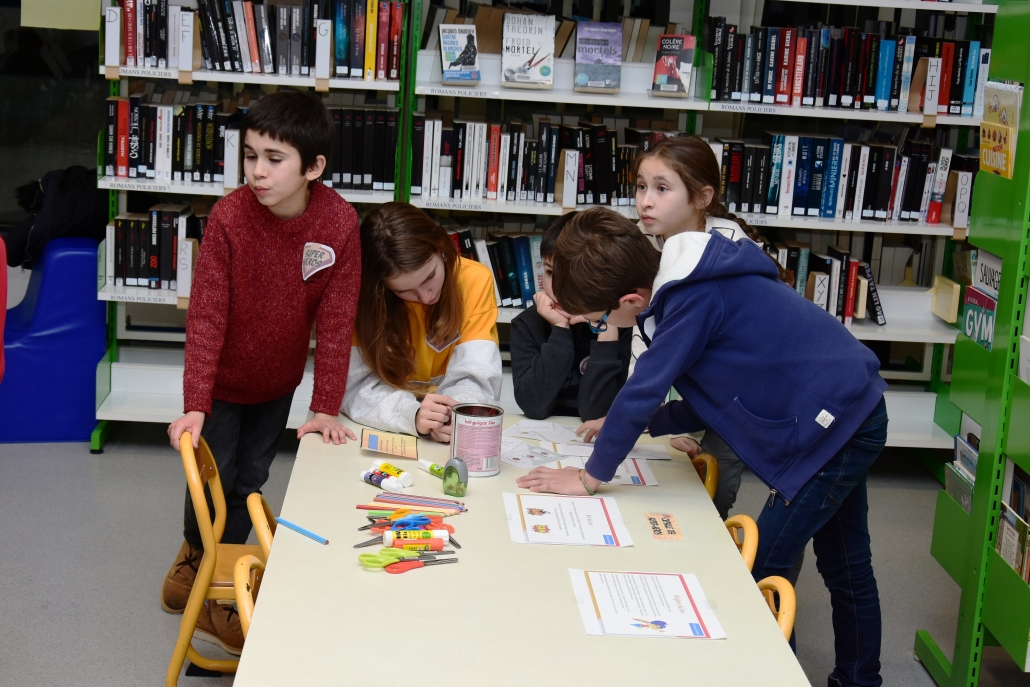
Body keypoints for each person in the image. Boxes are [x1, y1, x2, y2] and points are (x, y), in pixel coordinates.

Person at [517, 205, 888, 687]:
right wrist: (645, 423)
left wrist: (590, 477)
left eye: (600, 319)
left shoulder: (692, 296)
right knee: (846, 564)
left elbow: (647, 384)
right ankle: (861, 681)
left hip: (835, 425)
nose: (601, 326)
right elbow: (719, 394)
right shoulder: (683, 288)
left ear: (631, 298)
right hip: (847, 410)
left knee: (763, 573)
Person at [163, 90, 362, 654]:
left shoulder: (338, 222)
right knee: (214, 482)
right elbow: (205, 315)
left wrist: (324, 405)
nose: (257, 171)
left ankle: (211, 570)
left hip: (277, 385)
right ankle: (207, 578)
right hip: (222, 387)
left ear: (314, 167)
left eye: (274, 159)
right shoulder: (229, 217)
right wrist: (196, 401)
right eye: (250, 155)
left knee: (250, 479)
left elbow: (337, 316)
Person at [341, 202, 501, 440]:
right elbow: (356, 386)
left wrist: (450, 414)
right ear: (382, 287)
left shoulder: (475, 280)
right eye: (404, 291)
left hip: (449, 425)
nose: (426, 297)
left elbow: (478, 376)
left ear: (441, 247)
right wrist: (412, 415)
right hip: (387, 424)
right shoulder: (360, 297)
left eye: (430, 276)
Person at [510, 212, 632, 421]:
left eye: (570, 276)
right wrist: (560, 329)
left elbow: (597, 414)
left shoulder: (623, 322)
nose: (557, 287)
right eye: (550, 273)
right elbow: (533, 407)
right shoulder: (527, 323)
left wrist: (607, 332)